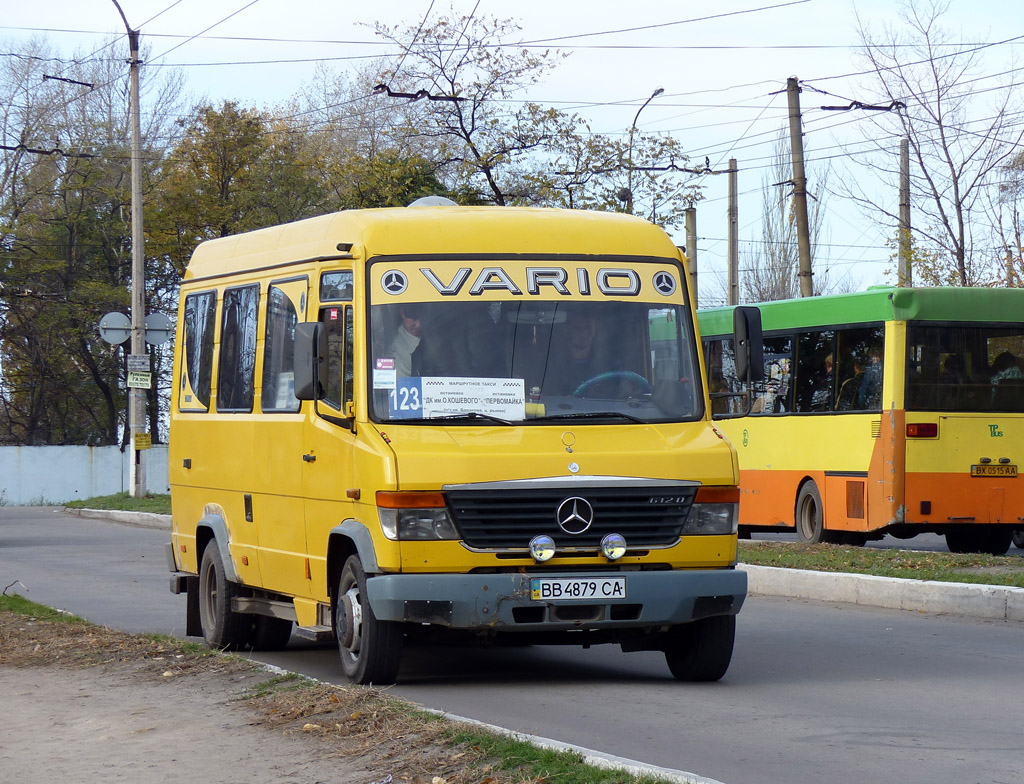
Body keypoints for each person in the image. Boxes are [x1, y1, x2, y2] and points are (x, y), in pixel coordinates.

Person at [387, 305, 423, 377]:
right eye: (413, 318)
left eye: (423, 318)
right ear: (402, 313)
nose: (418, 325)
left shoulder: (439, 340)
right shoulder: (392, 346)